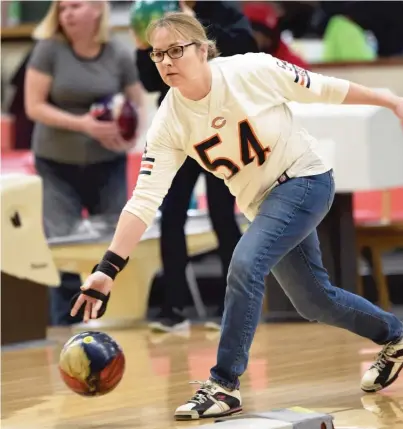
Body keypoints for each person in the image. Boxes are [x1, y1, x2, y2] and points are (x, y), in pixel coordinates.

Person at [71, 12, 403, 421]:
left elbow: (323, 89)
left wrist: (388, 99)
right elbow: (143, 200)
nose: (167, 61)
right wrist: (107, 270)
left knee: (244, 263)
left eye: (176, 50)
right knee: (314, 301)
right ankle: (396, 336)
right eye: (158, 54)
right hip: (263, 203)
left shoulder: (251, 69)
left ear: (202, 49)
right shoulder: (169, 121)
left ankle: (223, 385)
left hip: (303, 179)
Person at [134, 0, 257, 332]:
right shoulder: (157, 12)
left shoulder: (224, 11)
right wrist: (142, 47)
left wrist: (193, 27)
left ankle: (232, 307)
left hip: (220, 124)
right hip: (178, 126)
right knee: (172, 213)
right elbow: (150, 82)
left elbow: (243, 49)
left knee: (222, 213)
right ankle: (173, 307)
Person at [25, 0, 146, 325]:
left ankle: (108, 322)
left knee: (111, 242)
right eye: (62, 9)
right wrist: (85, 125)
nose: (67, 14)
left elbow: (137, 103)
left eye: (75, 6)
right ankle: (64, 326)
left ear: (97, 10)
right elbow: (33, 106)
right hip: (55, 162)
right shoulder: (49, 49)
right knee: (64, 245)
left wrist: (129, 136)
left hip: (107, 163)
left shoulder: (118, 53)